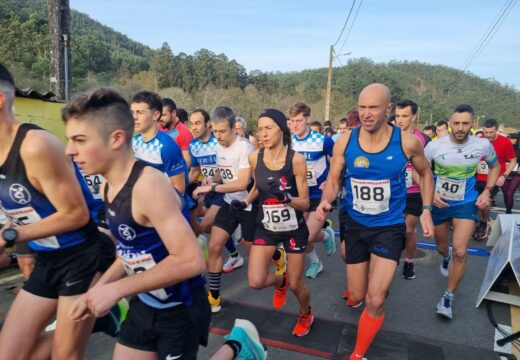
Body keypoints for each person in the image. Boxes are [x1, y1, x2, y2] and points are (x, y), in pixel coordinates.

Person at [64, 87, 210, 360]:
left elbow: (192, 261)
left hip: (180, 308)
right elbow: (128, 251)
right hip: (145, 302)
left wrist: (116, 290)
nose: (69, 151)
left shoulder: (148, 185)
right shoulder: (108, 185)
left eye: (80, 140)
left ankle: (238, 347)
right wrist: (97, 291)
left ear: (117, 138)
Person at [0, 63, 111, 359]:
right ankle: (99, 318)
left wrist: (11, 234)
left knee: (66, 355)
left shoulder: (35, 146)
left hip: (81, 256)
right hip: (47, 258)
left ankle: (98, 313)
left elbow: (76, 215)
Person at [316, 83, 434, 359]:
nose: (367, 114)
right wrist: (325, 200)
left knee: (374, 298)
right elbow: (334, 180)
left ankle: (357, 354)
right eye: (362, 107)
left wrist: (426, 208)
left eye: (374, 107)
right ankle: (375, 284)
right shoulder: (345, 140)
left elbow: (426, 174)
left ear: (388, 109)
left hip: (389, 227)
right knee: (357, 295)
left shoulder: (406, 142)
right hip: (355, 225)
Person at [242, 109, 313, 336]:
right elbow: (256, 186)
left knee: (296, 285)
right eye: (260, 128)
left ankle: (305, 312)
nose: (262, 133)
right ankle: (279, 281)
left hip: (293, 229)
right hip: (267, 227)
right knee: (255, 281)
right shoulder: (255, 157)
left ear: (282, 130)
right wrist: (246, 201)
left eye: (268, 128)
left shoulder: (297, 160)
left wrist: (286, 198)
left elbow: (305, 203)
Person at [425, 104, 499, 319]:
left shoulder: (482, 145)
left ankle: (448, 297)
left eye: (465, 123)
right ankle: (444, 255)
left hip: (465, 203)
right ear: (450, 123)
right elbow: (420, 172)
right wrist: (430, 195)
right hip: (439, 204)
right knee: (441, 247)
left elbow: (495, 167)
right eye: (456, 123)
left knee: (460, 250)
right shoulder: (434, 146)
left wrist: (487, 191)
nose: (460, 127)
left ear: (473, 124)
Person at [192, 106, 256, 313]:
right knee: (214, 245)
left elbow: (242, 183)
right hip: (229, 202)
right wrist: (212, 178)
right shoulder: (218, 147)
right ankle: (214, 296)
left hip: (249, 204)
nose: (217, 136)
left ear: (233, 129)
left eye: (222, 132)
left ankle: (276, 255)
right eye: (215, 131)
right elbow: (224, 174)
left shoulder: (244, 148)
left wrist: (210, 187)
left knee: (253, 250)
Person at [188, 109, 244, 272]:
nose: (194, 127)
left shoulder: (219, 140)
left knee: (204, 225)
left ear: (208, 124)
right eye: (191, 124)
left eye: (198, 123)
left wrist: (212, 181)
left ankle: (197, 262)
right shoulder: (194, 145)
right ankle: (234, 253)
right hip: (209, 190)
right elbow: (195, 171)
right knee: (203, 220)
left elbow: (228, 166)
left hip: (225, 190)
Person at [288, 102, 336, 279]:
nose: (295, 125)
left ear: (308, 119)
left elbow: (337, 162)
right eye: (291, 121)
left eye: (299, 120)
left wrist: (330, 180)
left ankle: (325, 235)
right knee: (298, 233)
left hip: (318, 195)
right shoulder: (288, 142)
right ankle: (316, 262)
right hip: (299, 195)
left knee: (305, 236)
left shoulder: (323, 140)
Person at [131, 92, 192, 223]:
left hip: (169, 213)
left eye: (140, 112)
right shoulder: (134, 143)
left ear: (156, 115)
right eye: (133, 112)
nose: (134, 117)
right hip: (145, 210)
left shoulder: (167, 146)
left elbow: (179, 188)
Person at [395, 99, 431, 279]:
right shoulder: (389, 135)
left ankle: (409, 261)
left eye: (404, 116)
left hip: (414, 192)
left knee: (409, 229)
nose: (400, 120)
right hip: (393, 191)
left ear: (414, 117)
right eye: (397, 116)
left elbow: (427, 171)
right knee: (394, 229)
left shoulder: (423, 140)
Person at [474, 118, 516, 239]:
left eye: (490, 133)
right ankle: (480, 220)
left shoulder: (505, 142)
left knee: (486, 203)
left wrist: (504, 175)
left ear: (496, 131)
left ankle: (482, 224)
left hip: (495, 178)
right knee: (478, 203)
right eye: (485, 132)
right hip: (479, 177)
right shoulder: (479, 141)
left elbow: (513, 161)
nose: (487, 135)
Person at [159, 98, 194, 168]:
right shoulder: (157, 127)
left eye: (164, 115)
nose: (160, 118)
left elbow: (187, 162)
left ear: (173, 113)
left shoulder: (184, 133)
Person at [503, 133, 520, 214]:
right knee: (505, 193)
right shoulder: (504, 148)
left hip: (516, 174)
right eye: (511, 138)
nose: (513, 140)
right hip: (504, 173)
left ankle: (508, 211)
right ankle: (508, 208)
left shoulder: (519, 149)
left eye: (515, 139)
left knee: (510, 193)